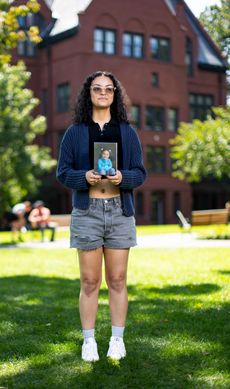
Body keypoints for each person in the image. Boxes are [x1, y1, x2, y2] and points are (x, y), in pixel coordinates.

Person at [57, 71, 147, 362]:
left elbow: (140, 174)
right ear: (89, 94)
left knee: (118, 280)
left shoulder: (126, 132)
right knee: (89, 281)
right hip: (88, 211)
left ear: (115, 95)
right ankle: (89, 342)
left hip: (120, 212)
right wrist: (84, 176)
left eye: (109, 89)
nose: (103, 93)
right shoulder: (75, 132)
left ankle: (117, 340)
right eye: (97, 89)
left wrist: (123, 177)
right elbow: (63, 173)